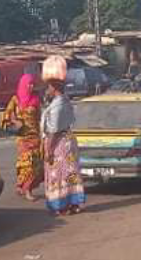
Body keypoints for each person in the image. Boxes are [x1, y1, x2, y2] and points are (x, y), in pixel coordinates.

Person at [40, 56, 86, 216]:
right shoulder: (63, 101)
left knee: (59, 174)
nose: (47, 90)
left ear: (54, 87)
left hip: (59, 144)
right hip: (67, 141)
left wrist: (49, 151)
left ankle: (63, 204)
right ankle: (74, 203)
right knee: (70, 172)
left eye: (48, 87)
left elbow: (53, 131)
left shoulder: (58, 105)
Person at [0, 74, 44, 201]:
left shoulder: (36, 100)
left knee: (35, 165)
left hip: (34, 136)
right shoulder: (15, 100)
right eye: (28, 84)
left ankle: (25, 187)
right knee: (26, 164)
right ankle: (26, 189)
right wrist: (13, 121)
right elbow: (6, 115)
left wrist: (41, 134)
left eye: (32, 84)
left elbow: (39, 118)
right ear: (23, 85)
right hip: (22, 137)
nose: (31, 86)